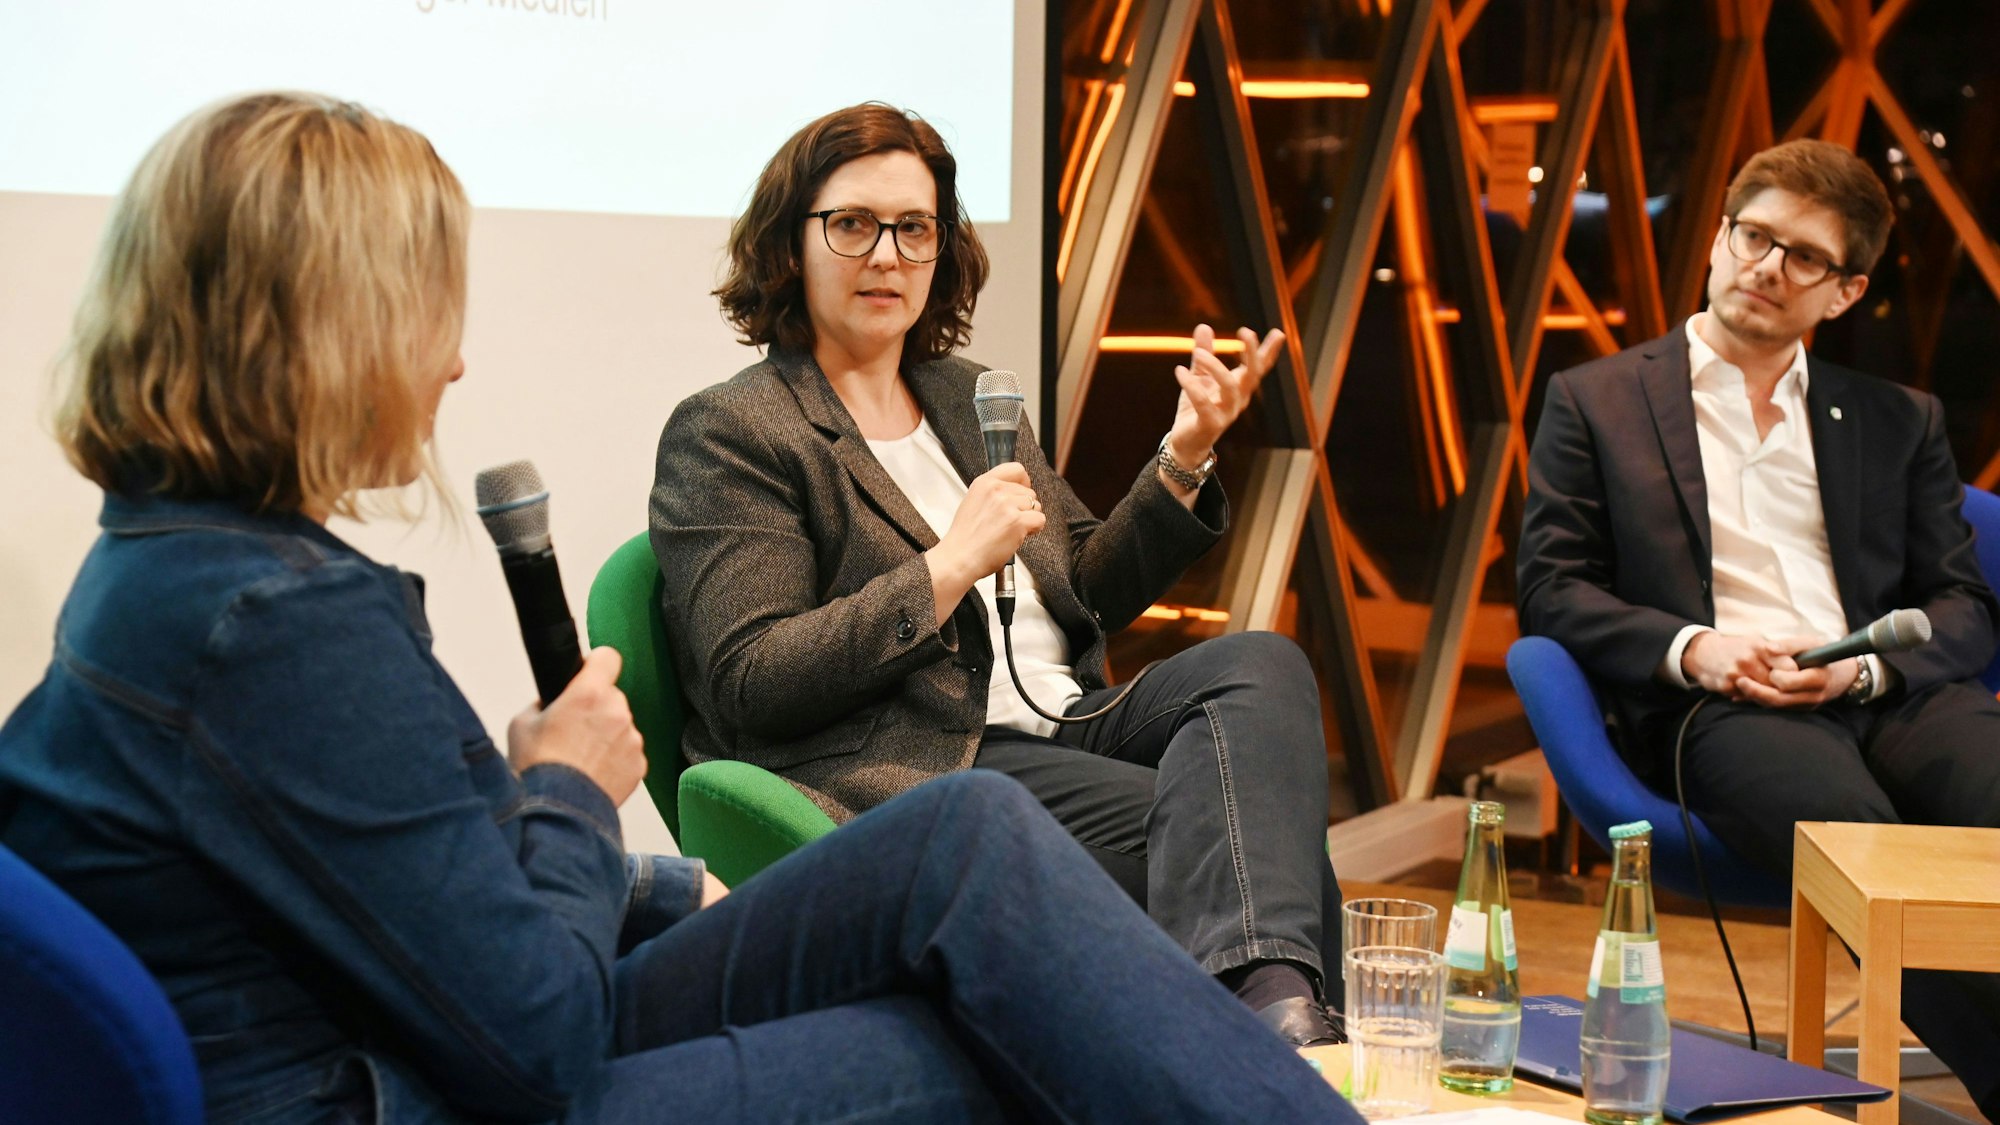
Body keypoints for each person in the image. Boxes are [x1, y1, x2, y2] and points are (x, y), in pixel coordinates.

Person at [0, 92, 1366, 1124]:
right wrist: (573, 795)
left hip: (455, 1012)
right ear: (323, 332)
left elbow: (406, 877)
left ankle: (1270, 1036)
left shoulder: (183, 567)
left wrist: (652, 875)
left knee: (985, 836)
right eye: (426, 311)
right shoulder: (275, 619)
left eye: (914, 228)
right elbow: (534, 1033)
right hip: (421, 1081)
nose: (456, 358)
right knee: (970, 1021)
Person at [651, 102, 1345, 1047]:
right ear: (791, 242)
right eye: (853, 224)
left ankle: (1252, 1043)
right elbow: (752, 680)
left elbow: (1083, 589)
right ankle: (1274, 1037)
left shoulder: (970, 395)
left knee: (1259, 667)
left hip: (1065, 720)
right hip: (927, 759)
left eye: (915, 227)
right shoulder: (735, 430)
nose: (887, 255)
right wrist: (945, 569)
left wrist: (1182, 460)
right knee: (1250, 844)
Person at [1518, 137, 2000, 1113]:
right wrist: (1694, 648)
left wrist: (1859, 672)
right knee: (1858, 842)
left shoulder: (1896, 419)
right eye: (1752, 236)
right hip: (1722, 705)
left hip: (1873, 689)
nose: (1765, 268)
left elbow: (1963, 607)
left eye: (1802, 256)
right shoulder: (1595, 402)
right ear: (1717, 238)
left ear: (1845, 292)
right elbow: (1550, 588)